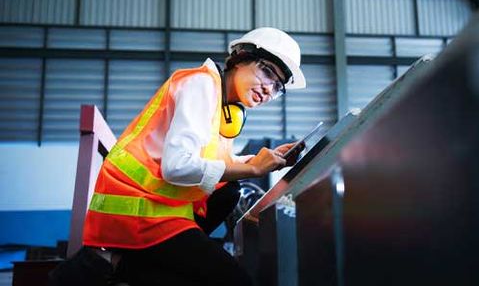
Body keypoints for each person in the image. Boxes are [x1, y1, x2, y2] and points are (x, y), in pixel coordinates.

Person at [55, 27, 307, 286]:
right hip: (141, 214)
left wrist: (263, 160)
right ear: (240, 59)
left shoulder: (223, 110)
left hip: (162, 212)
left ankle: (123, 265)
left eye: (277, 87)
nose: (268, 89)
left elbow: (217, 166)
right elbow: (176, 167)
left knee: (228, 190)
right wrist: (253, 170)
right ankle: (117, 260)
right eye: (266, 72)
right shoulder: (201, 85)